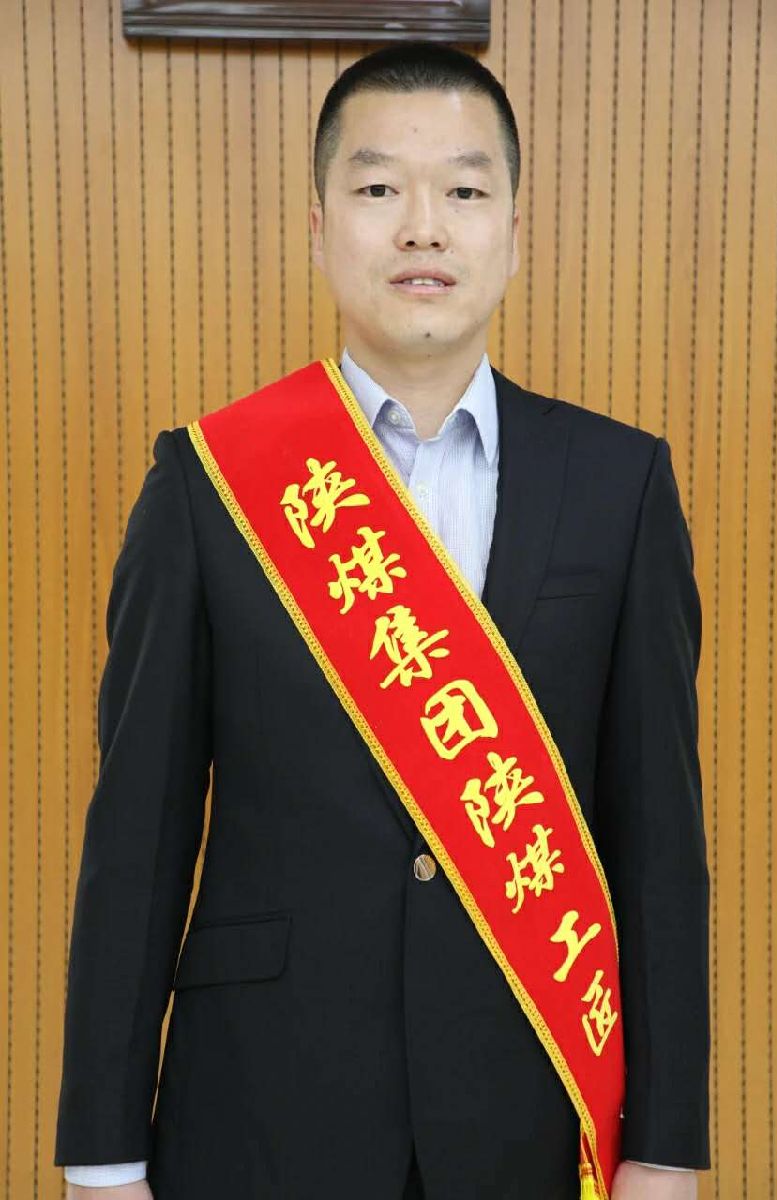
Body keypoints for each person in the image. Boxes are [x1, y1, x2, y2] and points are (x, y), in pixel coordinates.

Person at [53, 40, 710, 1200]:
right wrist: (102, 1159)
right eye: (376, 188)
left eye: (462, 191)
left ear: (513, 231)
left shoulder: (619, 486)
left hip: (527, 1108)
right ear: (319, 227)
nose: (421, 228)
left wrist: (664, 1147)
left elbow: (658, 845)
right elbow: (137, 838)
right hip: (259, 1109)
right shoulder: (212, 483)